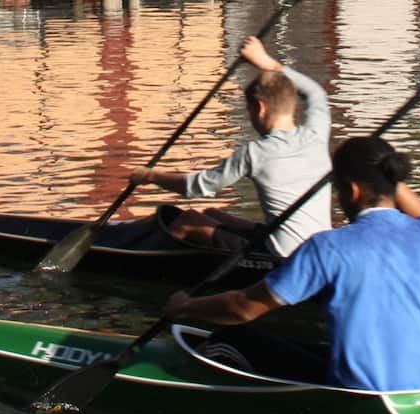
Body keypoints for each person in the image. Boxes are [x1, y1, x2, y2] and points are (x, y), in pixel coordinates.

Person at [163, 137, 420, 392]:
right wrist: (382, 172)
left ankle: (179, 381)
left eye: (338, 190)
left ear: (352, 192)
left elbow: (243, 308)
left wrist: (186, 307)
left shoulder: (328, 247)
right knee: (311, 346)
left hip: (357, 394)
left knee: (231, 336)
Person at [128, 36, 332, 257]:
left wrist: (150, 176)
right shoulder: (316, 134)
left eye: (249, 111)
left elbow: (197, 187)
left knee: (187, 221)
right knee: (213, 213)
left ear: (259, 108)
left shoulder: (255, 153)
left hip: (283, 255)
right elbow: (316, 93)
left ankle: (147, 266)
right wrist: (266, 62)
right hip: (319, 248)